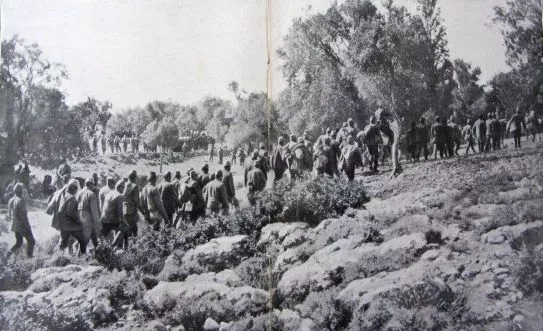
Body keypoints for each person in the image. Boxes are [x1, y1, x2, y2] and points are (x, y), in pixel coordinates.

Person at [58, 179, 87, 255]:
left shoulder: (64, 194)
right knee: (82, 240)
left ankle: (58, 257)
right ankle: (83, 257)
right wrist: (79, 220)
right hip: (71, 225)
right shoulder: (72, 198)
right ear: (73, 188)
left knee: (63, 243)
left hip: (63, 224)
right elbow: (70, 212)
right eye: (76, 189)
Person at [6, 183, 35, 258]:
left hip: (15, 225)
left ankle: (8, 254)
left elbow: (9, 213)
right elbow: (23, 216)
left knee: (19, 243)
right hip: (23, 226)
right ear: (21, 190)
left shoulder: (11, 200)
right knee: (31, 241)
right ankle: (29, 257)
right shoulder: (21, 201)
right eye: (23, 188)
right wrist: (28, 226)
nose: (24, 190)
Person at [100, 180, 126, 248]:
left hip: (104, 218)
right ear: (120, 187)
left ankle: (101, 250)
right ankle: (116, 248)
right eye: (123, 188)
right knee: (123, 231)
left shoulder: (109, 193)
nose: (123, 190)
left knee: (102, 237)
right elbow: (120, 212)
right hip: (113, 220)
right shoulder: (119, 196)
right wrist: (123, 222)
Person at [77, 178, 100, 250]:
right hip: (89, 221)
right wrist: (97, 222)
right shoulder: (91, 194)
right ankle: (80, 259)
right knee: (84, 242)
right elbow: (94, 210)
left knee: (95, 240)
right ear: (91, 184)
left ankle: (98, 255)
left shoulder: (80, 193)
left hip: (81, 218)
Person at [123, 170, 144, 243]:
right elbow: (137, 201)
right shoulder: (135, 187)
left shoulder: (125, 184)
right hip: (132, 211)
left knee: (128, 229)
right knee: (134, 230)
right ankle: (133, 247)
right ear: (135, 178)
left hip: (125, 210)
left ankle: (127, 245)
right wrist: (143, 212)